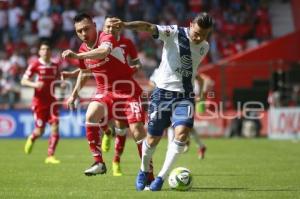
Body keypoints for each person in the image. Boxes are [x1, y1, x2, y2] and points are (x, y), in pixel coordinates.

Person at [116, 12, 213, 191]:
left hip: (185, 96)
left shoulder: (204, 47)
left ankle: (160, 178)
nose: (199, 37)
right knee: (152, 139)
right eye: (197, 33)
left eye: (204, 35)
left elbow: (192, 71)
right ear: (191, 24)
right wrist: (125, 25)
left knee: (182, 134)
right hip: (162, 95)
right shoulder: (174, 32)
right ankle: (144, 170)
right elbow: (148, 27)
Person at [61, 14, 154, 181]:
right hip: (105, 90)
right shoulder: (83, 48)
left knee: (137, 132)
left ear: (95, 26)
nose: (83, 33)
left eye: (86, 28)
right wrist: (74, 94)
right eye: (79, 31)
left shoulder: (106, 37)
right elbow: (84, 72)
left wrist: (77, 56)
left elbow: (103, 51)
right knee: (90, 116)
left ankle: (149, 174)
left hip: (128, 90)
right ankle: (98, 162)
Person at [21, 41, 62, 164]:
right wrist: (35, 84)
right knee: (40, 131)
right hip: (39, 103)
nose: (45, 51)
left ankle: (50, 156)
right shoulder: (35, 65)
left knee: (55, 125)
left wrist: (62, 84)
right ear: (39, 52)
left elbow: (58, 78)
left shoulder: (55, 65)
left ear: (50, 51)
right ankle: (32, 137)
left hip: (52, 102)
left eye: (47, 49)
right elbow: (23, 80)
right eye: (43, 49)